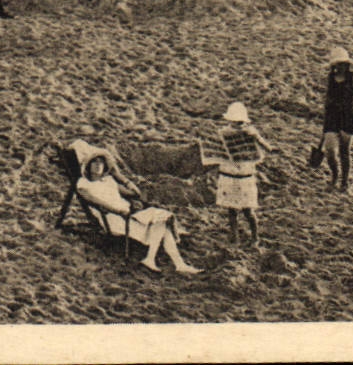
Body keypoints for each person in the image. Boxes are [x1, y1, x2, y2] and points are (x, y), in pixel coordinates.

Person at [73, 146, 200, 275]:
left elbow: (135, 193)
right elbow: (94, 200)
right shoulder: (84, 183)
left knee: (162, 220)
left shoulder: (109, 181)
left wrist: (120, 177)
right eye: (94, 162)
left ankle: (165, 262)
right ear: (88, 165)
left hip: (128, 215)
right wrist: (116, 210)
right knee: (162, 224)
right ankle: (171, 262)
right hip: (113, 218)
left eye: (101, 162)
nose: (98, 165)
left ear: (105, 166)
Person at [208, 101, 276, 245]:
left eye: (239, 122)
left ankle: (254, 237)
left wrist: (256, 138)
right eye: (235, 122)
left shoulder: (250, 133)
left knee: (247, 211)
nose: (237, 124)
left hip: (243, 177)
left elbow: (267, 148)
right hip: (231, 176)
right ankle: (235, 237)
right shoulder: (224, 133)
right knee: (233, 210)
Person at [320, 48, 353, 193]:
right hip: (332, 117)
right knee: (330, 151)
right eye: (338, 64)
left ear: (347, 64)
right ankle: (335, 175)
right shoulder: (331, 78)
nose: (340, 67)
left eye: (342, 64)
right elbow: (327, 100)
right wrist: (325, 121)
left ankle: (344, 181)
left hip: (348, 116)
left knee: (344, 151)